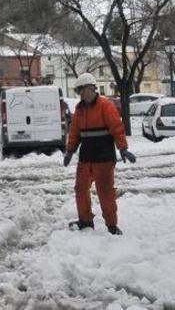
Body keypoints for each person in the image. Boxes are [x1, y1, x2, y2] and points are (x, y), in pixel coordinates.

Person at [64, 73, 136, 235]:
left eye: (82, 91)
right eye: (78, 92)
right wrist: (70, 151)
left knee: (105, 191)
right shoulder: (80, 109)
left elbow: (117, 128)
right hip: (86, 157)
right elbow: (75, 132)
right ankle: (85, 220)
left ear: (91, 88)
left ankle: (112, 225)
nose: (80, 95)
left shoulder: (106, 105)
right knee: (80, 188)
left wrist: (122, 148)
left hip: (104, 157)